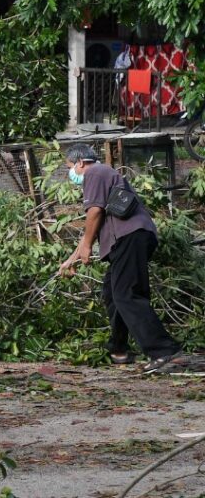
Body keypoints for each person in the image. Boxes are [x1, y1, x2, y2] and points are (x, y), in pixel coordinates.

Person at [60, 144, 181, 373]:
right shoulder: (104, 174)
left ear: (80, 163)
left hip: (130, 238)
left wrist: (86, 247)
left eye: (70, 167)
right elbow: (93, 227)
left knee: (127, 294)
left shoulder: (94, 172)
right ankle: (119, 349)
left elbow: (94, 212)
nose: (71, 174)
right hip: (128, 239)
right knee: (113, 294)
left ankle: (163, 350)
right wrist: (72, 259)